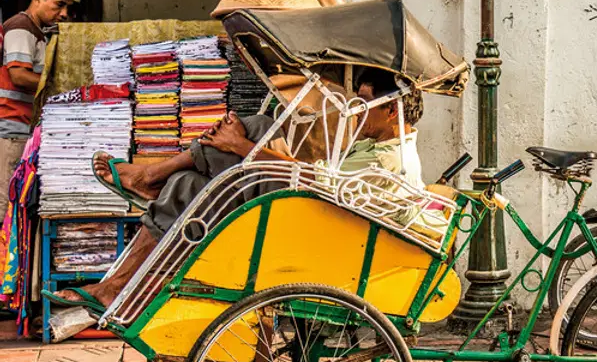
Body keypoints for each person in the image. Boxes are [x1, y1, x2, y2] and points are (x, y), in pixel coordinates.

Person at [45, 68, 424, 317]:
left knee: (252, 131)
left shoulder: (389, 162)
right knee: (188, 186)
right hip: (309, 209)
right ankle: (115, 286)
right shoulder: (369, 147)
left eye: (363, 104)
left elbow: (316, 185)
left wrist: (242, 147)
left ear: (391, 112)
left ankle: (150, 177)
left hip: (313, 227)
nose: (355, 114)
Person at [0, 0, 80, 181]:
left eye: (68, 8)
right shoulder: (21, 27)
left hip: (20, 126)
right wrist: (62, 87)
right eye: (58, 5)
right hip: (11, 128)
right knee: (6, 199)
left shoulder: (36, 31)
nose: (63, 13)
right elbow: (18, 76)